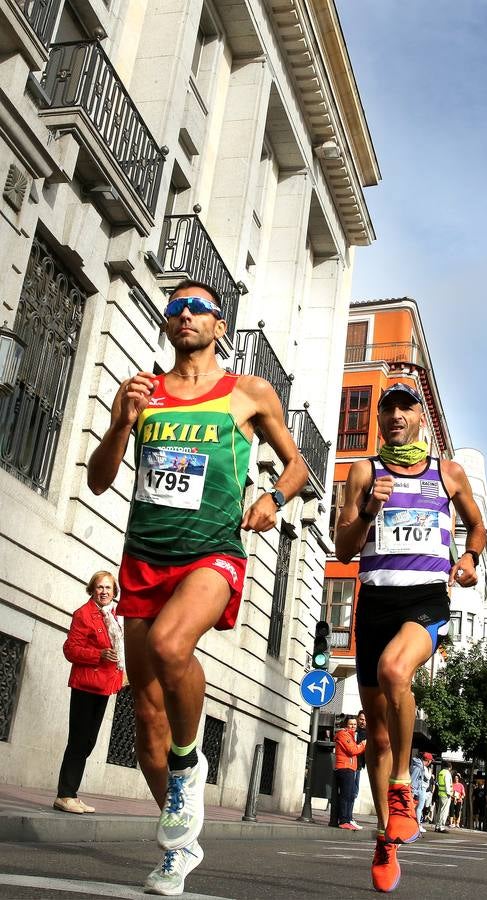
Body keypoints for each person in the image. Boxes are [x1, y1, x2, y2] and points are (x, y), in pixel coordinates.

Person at [87, 281, 308, 895]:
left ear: (219, 326)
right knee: (146, 716)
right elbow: (102, 481)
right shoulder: (142, 391)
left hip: (211, 552)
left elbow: (298, 466)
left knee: (170, 645)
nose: (183, 314)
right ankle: (178, 845)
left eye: (198, 308)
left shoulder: (248, 392)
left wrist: (272, 497)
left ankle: (189, 762)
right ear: (166, 324)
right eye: (175, 308)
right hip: (144, 558)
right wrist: (120, 423)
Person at [335, 382, 486, 892]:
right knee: (376, 734)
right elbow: (343, 546)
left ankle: (402, 784)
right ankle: (385, 836)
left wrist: (467, 559)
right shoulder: (365, 472)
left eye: (405, 406)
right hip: (374, 600)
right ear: (381, 418)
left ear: (421, 417)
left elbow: (477, 528)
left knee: (396, 670)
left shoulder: (447, 473)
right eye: (388, 407)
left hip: (425, 600)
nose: (397, 414)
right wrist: (370, 513)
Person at [54, 571, 124, 814]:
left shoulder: (113, 617)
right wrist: (99, 655)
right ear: (92, 590)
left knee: (89, 741)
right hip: (86, 684)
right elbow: (70, 649)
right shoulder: (84, 614)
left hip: (103, 685)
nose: (104, 591)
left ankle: (71, 792)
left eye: (108, 588)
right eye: (99, 587)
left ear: (114, 592)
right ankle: (64, 794)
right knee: (78, 740)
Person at [335, 716, 367, 830]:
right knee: (346, 795)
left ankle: (347, 819)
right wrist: (363, 745)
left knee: (350, 795)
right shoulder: (344, 734)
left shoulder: (350, 735)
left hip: (350, 768)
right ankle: (344, 820)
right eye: (351, 724)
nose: (353, 726)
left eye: (354, 724)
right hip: (345, 767)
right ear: (346, 725)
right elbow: (353, 750)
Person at [352, 709, 367, 826]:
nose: (363, 722)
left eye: (365, 720)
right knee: (350, 791)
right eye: (361, 719)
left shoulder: (368, 733)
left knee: (354, 792)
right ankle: (347, 816)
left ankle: (349, 815)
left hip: (359, 765)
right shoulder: (354, 732)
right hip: (352, 764)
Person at [434, 762, 453, 832]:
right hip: (446, 794)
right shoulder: (447, 773)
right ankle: (441, 826)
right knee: (444, 811)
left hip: (440, 793)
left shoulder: (441, 772)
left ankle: (437, 826)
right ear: (450, 767)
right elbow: (447, 784)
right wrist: (450, 793)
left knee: (440, 811)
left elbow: (438, 783)